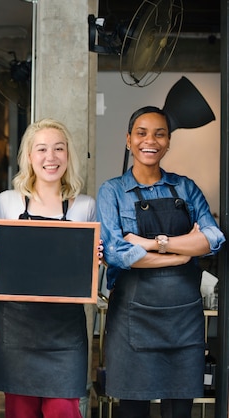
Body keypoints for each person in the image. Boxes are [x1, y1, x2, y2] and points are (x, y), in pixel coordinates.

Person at [96, 106, 225, 418]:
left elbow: (213, 238)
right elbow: (115, 252)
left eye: (159, 133)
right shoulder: (112, 191)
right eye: (141, 133)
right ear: (128, 140)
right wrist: (183, 252)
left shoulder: (186, 187)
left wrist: (155, 244)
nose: (149, 140)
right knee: (132, 409)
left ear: (168, 142)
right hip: (132, 317)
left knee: (179, 410)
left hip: (183, 318)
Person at [0, 118, 97, 418]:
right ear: (29, 157)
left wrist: (94, 260)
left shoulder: (84, 206)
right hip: (16, 329)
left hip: (64, 333)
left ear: (68, 155)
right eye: (42, 149)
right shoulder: (7, 202)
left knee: (63, 410)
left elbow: (89, 270)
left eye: (59, 149)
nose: (51, 157)